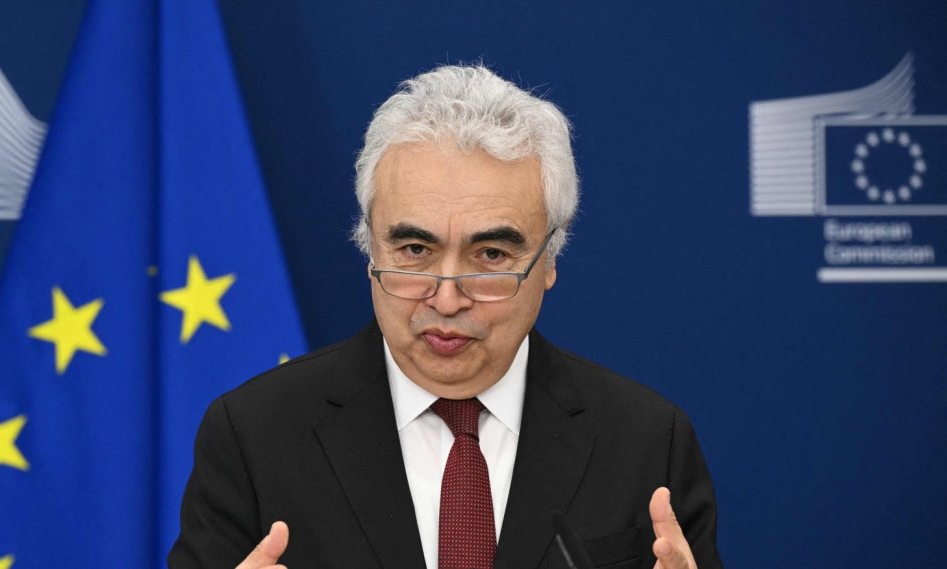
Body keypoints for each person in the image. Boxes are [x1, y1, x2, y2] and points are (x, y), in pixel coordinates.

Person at [169, 65, 722, 569]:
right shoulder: (253, 436)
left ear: (549, 261)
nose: (447, 298)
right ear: (370, 251)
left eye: (492, 256)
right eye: (414, 250)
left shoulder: (648, 440)